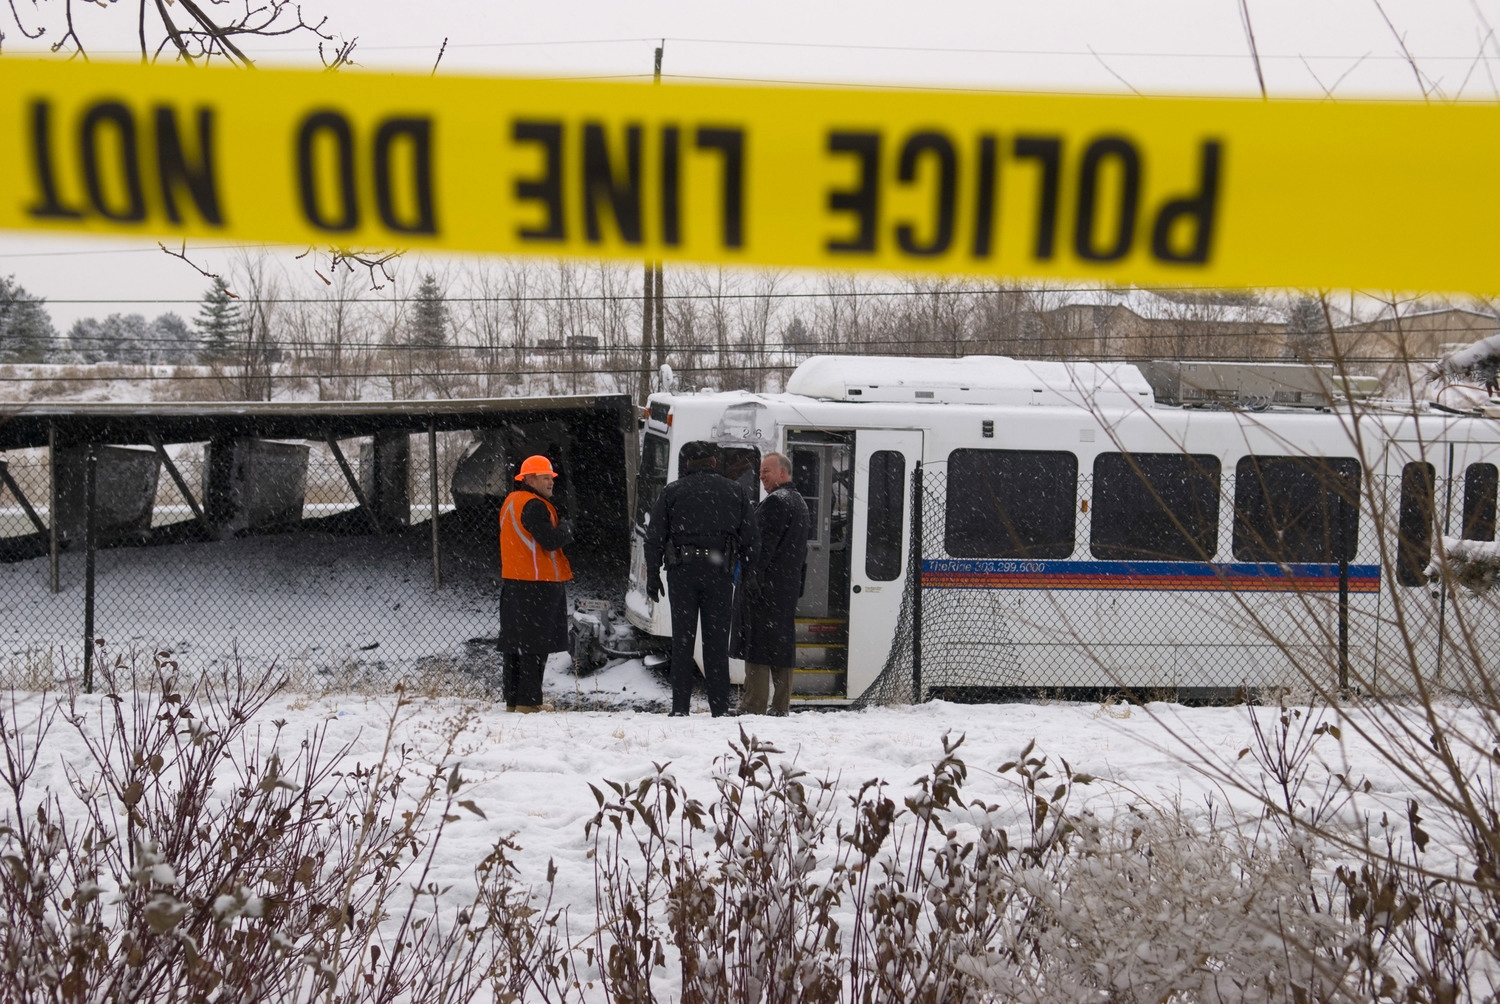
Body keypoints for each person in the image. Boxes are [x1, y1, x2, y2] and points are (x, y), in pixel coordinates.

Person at [644, 442, 757, 717]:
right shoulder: (735, 491)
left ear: (687, 464)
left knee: (682, 642)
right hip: (719, 573)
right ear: (714, 463)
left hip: (682, 572)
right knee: (716, 644)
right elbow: (751, 539)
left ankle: (680, 708)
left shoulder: (672, 491)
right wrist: (750, 576)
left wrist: (652, 574)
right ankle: (719, 708)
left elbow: (654, 538)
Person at [733, 453, 810, 716]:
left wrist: (752, 578)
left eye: (766, 471)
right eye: (761, 472)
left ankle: (753, 705)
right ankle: (780, 706)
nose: (761, 476)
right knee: (782, 646)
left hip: (765, 589)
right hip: (786, 590)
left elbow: (761, 549)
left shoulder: (776, 502)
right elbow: (802, 553)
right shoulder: (799, 502)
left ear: (783, 472)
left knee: (757, 644)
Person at [498, 454, 573, 713]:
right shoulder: (535, 505)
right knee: (534, 646)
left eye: (551, 478)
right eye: (544, 478)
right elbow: (549, 541)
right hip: (537, 584)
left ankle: (514, 701)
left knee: (516, 646)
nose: (551, 482)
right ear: (529, 479)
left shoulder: (512, 502)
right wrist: (566, 528)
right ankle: (529, 703)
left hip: (515, 583)